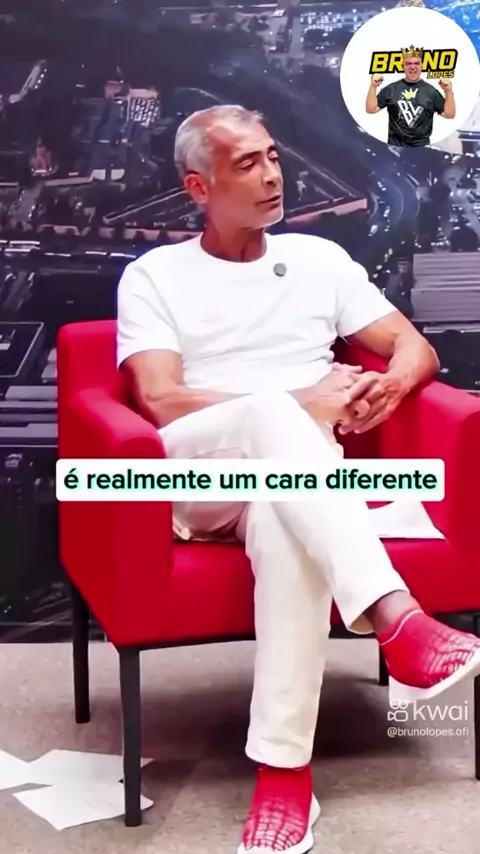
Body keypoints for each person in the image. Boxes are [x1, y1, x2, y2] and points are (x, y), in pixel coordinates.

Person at [116, 105, 480, 854]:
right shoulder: (155, 275)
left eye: (273, 156)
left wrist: (392, 386)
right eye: (246, 164)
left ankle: (284, 778)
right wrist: (299, 400)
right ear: (198, 186)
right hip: (200, 475)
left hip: (295, 484)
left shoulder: (319, 261)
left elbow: (412, 347)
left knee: (287, 527)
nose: (272, 175)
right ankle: (394, 616)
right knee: (270, 415)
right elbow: (159, 399)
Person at [366, 47, 456, 147]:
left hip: (422, 148)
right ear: (403, 66)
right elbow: (371, 109)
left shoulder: (431, 91)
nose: (412, 67)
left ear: (422, 66)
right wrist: (373, 86)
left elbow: (449, 114)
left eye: (416, 63)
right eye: (408, 63)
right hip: (396, 147)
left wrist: (448, 91)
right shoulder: (391, 89)